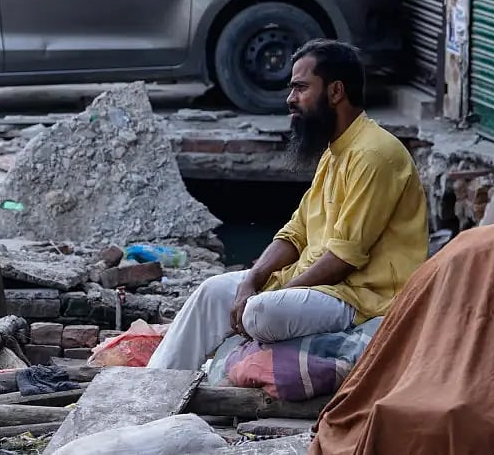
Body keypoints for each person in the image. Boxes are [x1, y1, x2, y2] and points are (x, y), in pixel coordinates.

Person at [148, 40, 429, 370]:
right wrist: (253, 279)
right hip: (314, 287)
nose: (290, 99)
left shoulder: (374, 154)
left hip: (357, 298)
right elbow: (295, 233)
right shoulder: (335, 151)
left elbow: (344, 258)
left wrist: (273, 294)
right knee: (212, 293)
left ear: (336, 91)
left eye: (300, 88)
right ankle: (151, 389)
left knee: (260, 312)